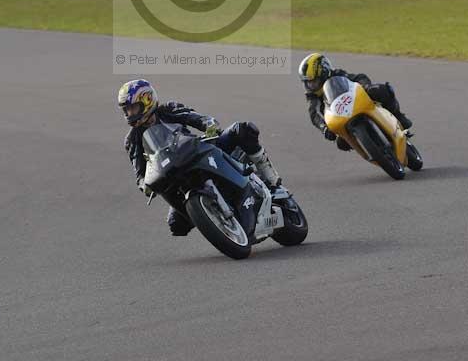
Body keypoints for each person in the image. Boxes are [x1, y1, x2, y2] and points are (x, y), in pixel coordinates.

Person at [118, 78, 281, 236]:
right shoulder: (132, 140)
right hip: (174, 175)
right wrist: (144, 185)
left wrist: (208, 124)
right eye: (126, 110)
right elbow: (139, 172)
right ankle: (217, 221)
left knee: (242, 129)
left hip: (198, 151)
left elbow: (194, 117)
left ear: (147, 100)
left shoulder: (168, 109)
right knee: (176, 225)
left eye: (133, 108)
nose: (129, 113)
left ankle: (270, 177)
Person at [298, 53, 413, 151]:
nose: (310, 86)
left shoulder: (338, 74)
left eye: (314, 82)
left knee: (382, 90)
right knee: (340, 143)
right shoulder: (312, 95)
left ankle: (399, 116)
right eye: (307, 83)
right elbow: (314, 114)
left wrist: (365, 86)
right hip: (340, 118)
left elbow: (359, 77)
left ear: (324, 72)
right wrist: (324, 128)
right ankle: (368, 149)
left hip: (357, 102)